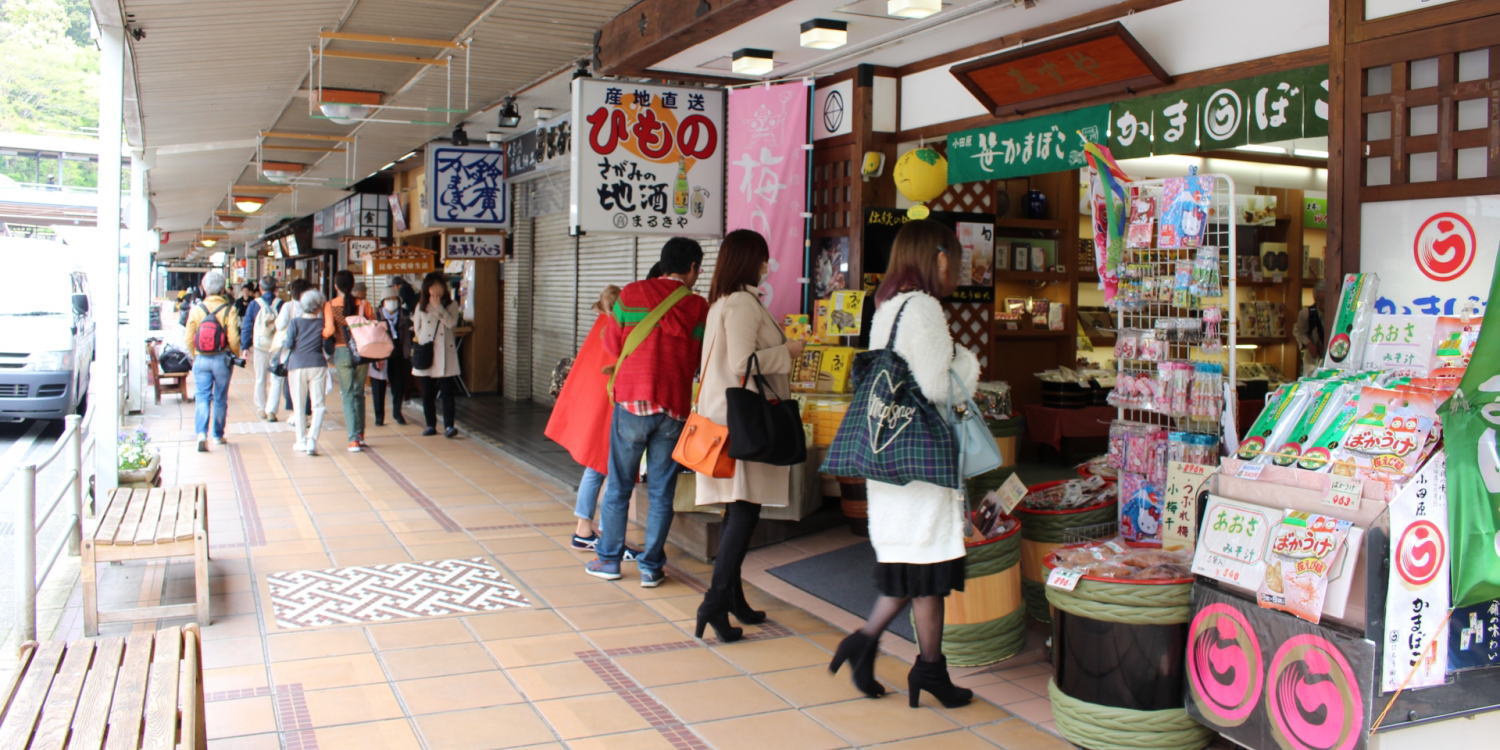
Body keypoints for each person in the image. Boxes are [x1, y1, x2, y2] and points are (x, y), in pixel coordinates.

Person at [828, 219, 977, 709]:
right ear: (936, 258)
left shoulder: (886, 306)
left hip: (887, 455)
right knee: (928, 564)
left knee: (914, 568)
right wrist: (968, 362)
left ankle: (900, 656)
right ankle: (918, 666)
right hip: (920, 463)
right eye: (953, 258)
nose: (957, 267)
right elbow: (938, 387)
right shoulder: (926, 308)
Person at [691, 230, 803, 641]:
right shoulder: (741, 303)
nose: (767, 265)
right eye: (763, 258)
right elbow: (743, 362)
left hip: (728, 418)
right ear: (750, 260)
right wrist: (788, 351)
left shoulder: (725, 301)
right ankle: (715, 603)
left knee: (740, 510)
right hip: (743, 421)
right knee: (743, 511)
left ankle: (731, 599)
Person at [585, 238, 709, 588]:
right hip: (673, 408)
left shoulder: (631, 294)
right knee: (661, 491)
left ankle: (609, 560)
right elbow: (700, 360)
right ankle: (651, 567)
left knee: (620, 485)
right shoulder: (698, 306)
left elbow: (612, 346)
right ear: (693, 268)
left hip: (631, 404)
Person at [545, 285, 623, 548]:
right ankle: (595, 531)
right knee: (605, 467)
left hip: (596, 404)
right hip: (609, 405)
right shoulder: (615, 327)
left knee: (596, 465)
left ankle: (586, 529)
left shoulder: (600, 325)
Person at [183, 270, 242, 453]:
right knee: (220, 397)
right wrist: (233, 354)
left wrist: (195, 354)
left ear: (204, 288)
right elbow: (233, 338)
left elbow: (188, 338)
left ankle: (201, 434)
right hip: (221, 358)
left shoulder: (196, 310)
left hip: (202, 358)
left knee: (202, 396)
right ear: (223, 288)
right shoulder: (229, 309)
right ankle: (218, 434)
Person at [323, 269, 376, 452]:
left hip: (342, 351)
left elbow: (329, 331)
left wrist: (322, 333)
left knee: (347, 393)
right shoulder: (364, 304)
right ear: (353, 285)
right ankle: (360, 435)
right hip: (363, 352)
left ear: (336, 286)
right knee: (359, 391)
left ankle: (353, 439)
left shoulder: (330, 305)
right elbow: (372, 327)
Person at [412, 271, 462, 437]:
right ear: (427, 289)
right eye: (432, 287)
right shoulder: (421, 306)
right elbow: (417, 328)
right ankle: (430, 425)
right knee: (427, 393)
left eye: (438, 286)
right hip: (427, 353)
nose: (435, 290)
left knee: (447, 391)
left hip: (445, 354)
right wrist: (424, 341)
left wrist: (439, 308)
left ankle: (449, 426)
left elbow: (451, 323)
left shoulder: (451, 304)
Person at [283, 289, 329, 455]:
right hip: (317, 364)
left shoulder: (295, 322)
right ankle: (312, 440)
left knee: (299, 405)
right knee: (319, 405)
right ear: (319, 306)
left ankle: (300, 440)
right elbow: (327, 344)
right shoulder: (322, 323)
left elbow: (288, 344)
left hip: (297, 365)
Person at [240, 275, 284, 422]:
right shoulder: (281, 304)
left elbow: (247, 326)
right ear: (276, 288)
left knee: (260, 378)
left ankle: (261, 408)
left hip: (260, 346)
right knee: (276, 378)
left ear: (260, 288)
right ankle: (272, 410)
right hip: (277, 346)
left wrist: (245, 346)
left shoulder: (254, 304)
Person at [370, 293, 413, 426]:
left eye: (394, 299)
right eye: (388, 299)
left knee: (398, 384)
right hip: (380, 354)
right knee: (378, 386)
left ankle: (397, 412)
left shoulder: (405, 315)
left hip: (399, 353)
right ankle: (379, 416)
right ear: (383, 302)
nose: (391, 302)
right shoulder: (375, 316)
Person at [275, 278, 312, 415]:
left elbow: (279, 325)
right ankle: (306, 412)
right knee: (307, 382)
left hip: (291, 350)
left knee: (290, 381)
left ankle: (293, 412)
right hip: (309, 348)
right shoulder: (313, 307)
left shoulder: (288, 306)